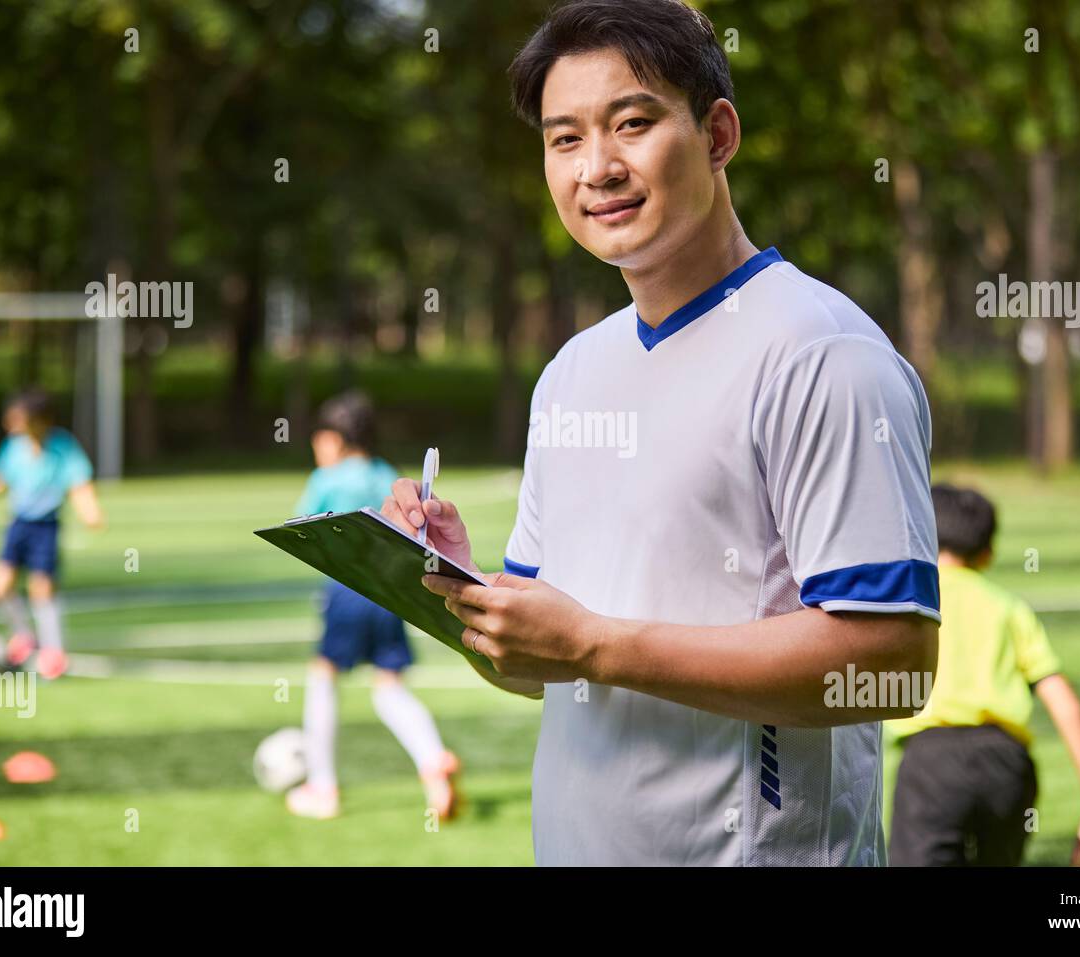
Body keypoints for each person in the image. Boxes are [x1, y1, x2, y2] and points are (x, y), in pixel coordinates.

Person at [381, 0, 940, 865]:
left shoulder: (821, 354)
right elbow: (535, 667)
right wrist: (455, 583)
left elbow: (896, 662)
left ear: (717, 135)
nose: (596, 167)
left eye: (631, 124)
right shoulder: (571, 371)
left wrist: (600, 646)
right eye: (564, 139)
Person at [884, 484, 1080, 866]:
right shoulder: (1009, 607)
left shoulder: (910, 601)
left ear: (918, 536)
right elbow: (1063, 701)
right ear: (988, 554)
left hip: (931, 765)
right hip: (1008, 764)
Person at [283, 390, 461, 821]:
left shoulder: (328, 480)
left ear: (339, 439)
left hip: (348, 591)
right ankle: (433, 762)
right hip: (389, 594)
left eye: (320, 439)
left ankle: (322, 787)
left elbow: (300, 523)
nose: (316, 448)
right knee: (389, 687)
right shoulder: (387, 474)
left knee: (322, 676)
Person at [0, 388, 104, 679]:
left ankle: (54, 652)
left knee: (42, 588)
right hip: (19, 525)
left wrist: (91, 510)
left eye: (19, 417)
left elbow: (79, 483)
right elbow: (2, 478)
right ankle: (24, 637)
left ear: (40, 419)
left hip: (45, 527)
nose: (12, 423)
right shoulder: (15, 446)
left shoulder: (63, 447)